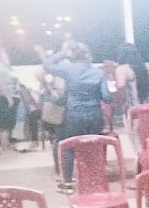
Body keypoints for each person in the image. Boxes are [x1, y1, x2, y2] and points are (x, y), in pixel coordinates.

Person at [35, 40, 112, 192]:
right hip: (95, 115)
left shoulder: (69, 70)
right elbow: (107, 97)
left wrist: (63, 53)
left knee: (68, 147)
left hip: (74, 114)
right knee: (92, 147)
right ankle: (93, 182)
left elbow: (47, 65)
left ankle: (68, 184)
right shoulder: (98, 73)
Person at [115, 42, 149, 109]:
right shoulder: (144, 67)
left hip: (134, 109)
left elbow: (121, 87)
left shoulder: (122, 69)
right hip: (148, 107)